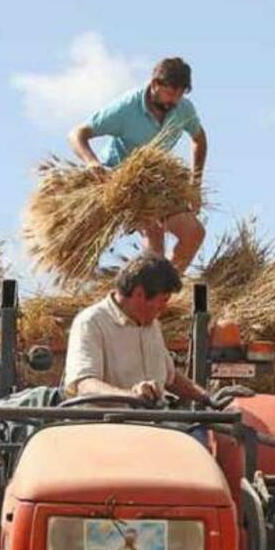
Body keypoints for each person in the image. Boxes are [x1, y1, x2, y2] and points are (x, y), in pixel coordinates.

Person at [68, 57, 207, 273]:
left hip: (155, 182)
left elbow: (199, 139)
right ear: (155, 85)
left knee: (194, 233)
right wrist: (92, 163)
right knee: (155, 239)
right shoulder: (126, 108)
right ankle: (149, 291)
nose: (174, 101)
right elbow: (77, 134)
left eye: (180, 95)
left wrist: (195, 184)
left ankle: (165, 290)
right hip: (121, 182)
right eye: (170, 94)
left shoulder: (183, 109)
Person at [64, 253, 211, 405]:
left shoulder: (152, 325)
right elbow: (84, 384)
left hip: (155, 423)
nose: (164, 307)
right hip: (108, 425)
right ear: (139, 293)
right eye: (163, 300)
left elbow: (170, 378)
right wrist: (131, 396)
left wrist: (206, 398)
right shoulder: (91, 322)